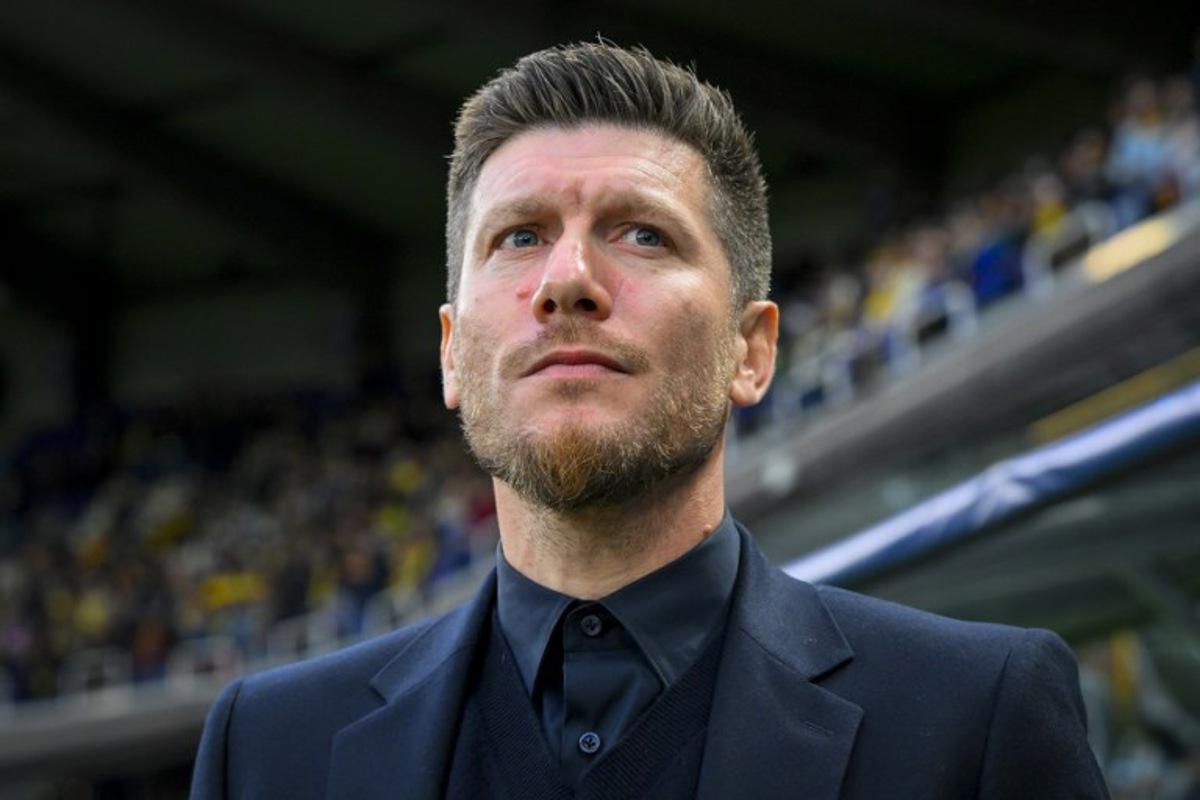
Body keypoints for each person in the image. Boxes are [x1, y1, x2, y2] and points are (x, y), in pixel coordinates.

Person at [190, 43, 1109, 799]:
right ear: (451, 353)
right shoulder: (267, 751)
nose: (566, 282)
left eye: (642, 233)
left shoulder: (977, 717)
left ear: (751, 350)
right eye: (519, 236)